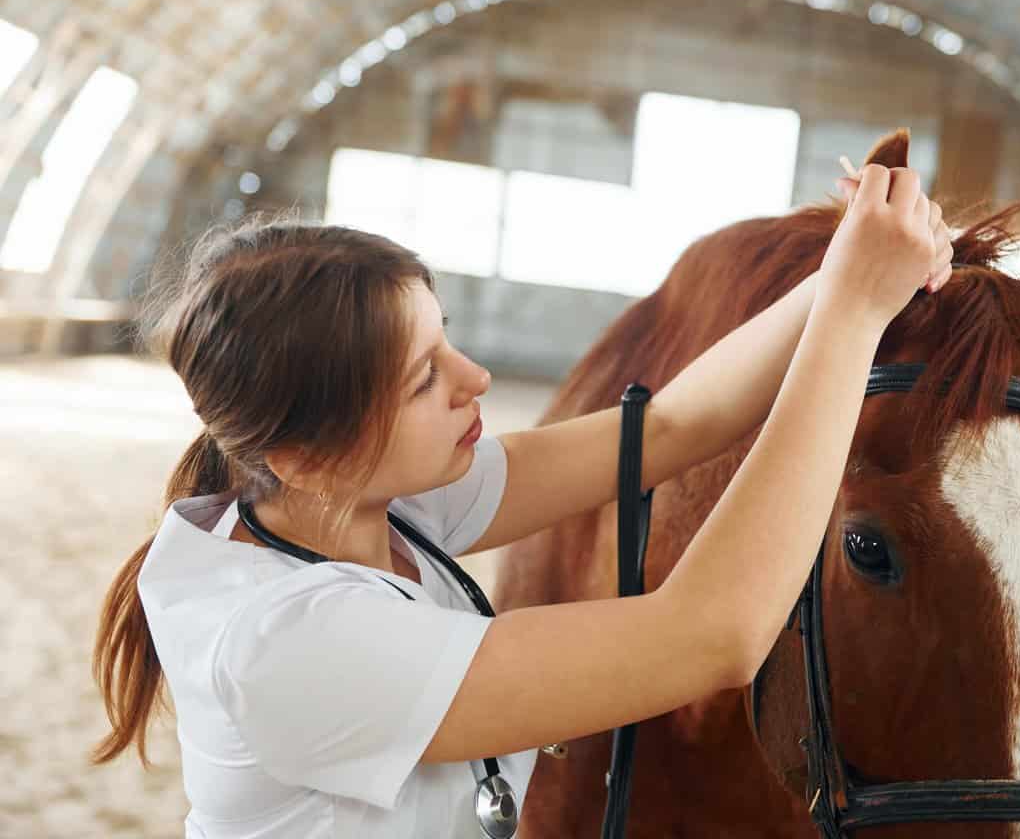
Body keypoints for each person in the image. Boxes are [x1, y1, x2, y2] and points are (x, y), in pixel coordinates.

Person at [91, 162, 953, 837]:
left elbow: (666, 431)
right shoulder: (294, 647)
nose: (477, 381)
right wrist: (853, 315)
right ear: (309, 454)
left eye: (447, 340)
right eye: (425, 379)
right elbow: (713, 635)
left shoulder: (363, 509)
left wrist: (847, 270)